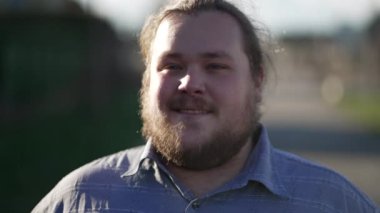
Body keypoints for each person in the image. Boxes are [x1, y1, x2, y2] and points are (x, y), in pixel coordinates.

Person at [33, 0, 379, 212]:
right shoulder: (80, 200)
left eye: (215, 66)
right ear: (146, 80)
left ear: (256, 80)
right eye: (172, 66)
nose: (190, 83)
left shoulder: (331, 202)